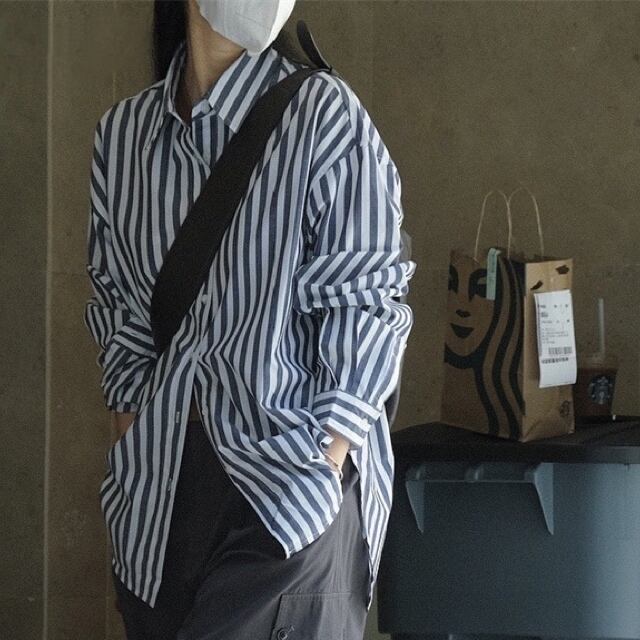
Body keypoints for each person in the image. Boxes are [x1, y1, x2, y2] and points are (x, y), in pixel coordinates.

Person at [83, 0, 417, 637]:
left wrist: (322, 466)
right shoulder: (123, 136)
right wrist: (131, 448)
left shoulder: (324, 114)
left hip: (288, 493)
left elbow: (369, 303)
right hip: (156, 513)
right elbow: (121, 313)